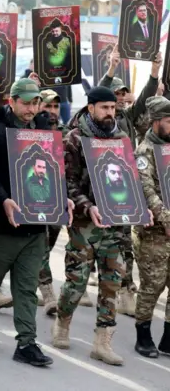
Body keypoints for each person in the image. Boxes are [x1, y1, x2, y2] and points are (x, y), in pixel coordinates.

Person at [0, 78, 71, 367]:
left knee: (26, 288)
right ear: (12, 101)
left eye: (35, 103)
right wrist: (3, 200)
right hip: (1, 226)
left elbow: (53, 169)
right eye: (26, 103)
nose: (31, 109)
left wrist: (61, 196)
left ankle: (26, 342)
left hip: (34, 227)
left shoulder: (43, 130)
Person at [53, 86, 151, 366]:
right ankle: (62, 322)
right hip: (85, 225)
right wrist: (88, 206)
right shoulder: (74, 139)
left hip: (115, 225)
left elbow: (130, 180)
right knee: (76, 282)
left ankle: (102, 340)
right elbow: (67, 183)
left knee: (111, 282)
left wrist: (141, 208)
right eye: (105, 108)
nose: (111, 112)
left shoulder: (121, 139)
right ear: (91, 107)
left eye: (113, 108)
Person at [98, 46, 162, 317]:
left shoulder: (127, 117)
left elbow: (147, 97)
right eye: (116, 95)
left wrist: (155, 71)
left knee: (125, 241)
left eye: (123, 95)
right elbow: (99, 93)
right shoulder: (98, 119)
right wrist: (112, 69)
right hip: (104, 185)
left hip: (128, 187)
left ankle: (126, 290)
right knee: (104, 243)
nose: (120, 100)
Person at [35, 89, 93, 315]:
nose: (51, 111)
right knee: (39, 245)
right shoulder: (29, 131)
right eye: (47, 106)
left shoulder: (65, 134)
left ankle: (39, 285)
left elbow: (85, 118)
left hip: (61, 199)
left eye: (55, 107)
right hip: (36, 197)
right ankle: (48, 293)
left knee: (54, 246)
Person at [132, 96, 170, 358]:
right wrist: (167, 220)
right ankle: (143, 336)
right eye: (169, 121)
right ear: (156, 122)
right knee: (152, 285)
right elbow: (147, 191)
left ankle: (168, 339)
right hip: (153, 233)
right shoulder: (144, 151)